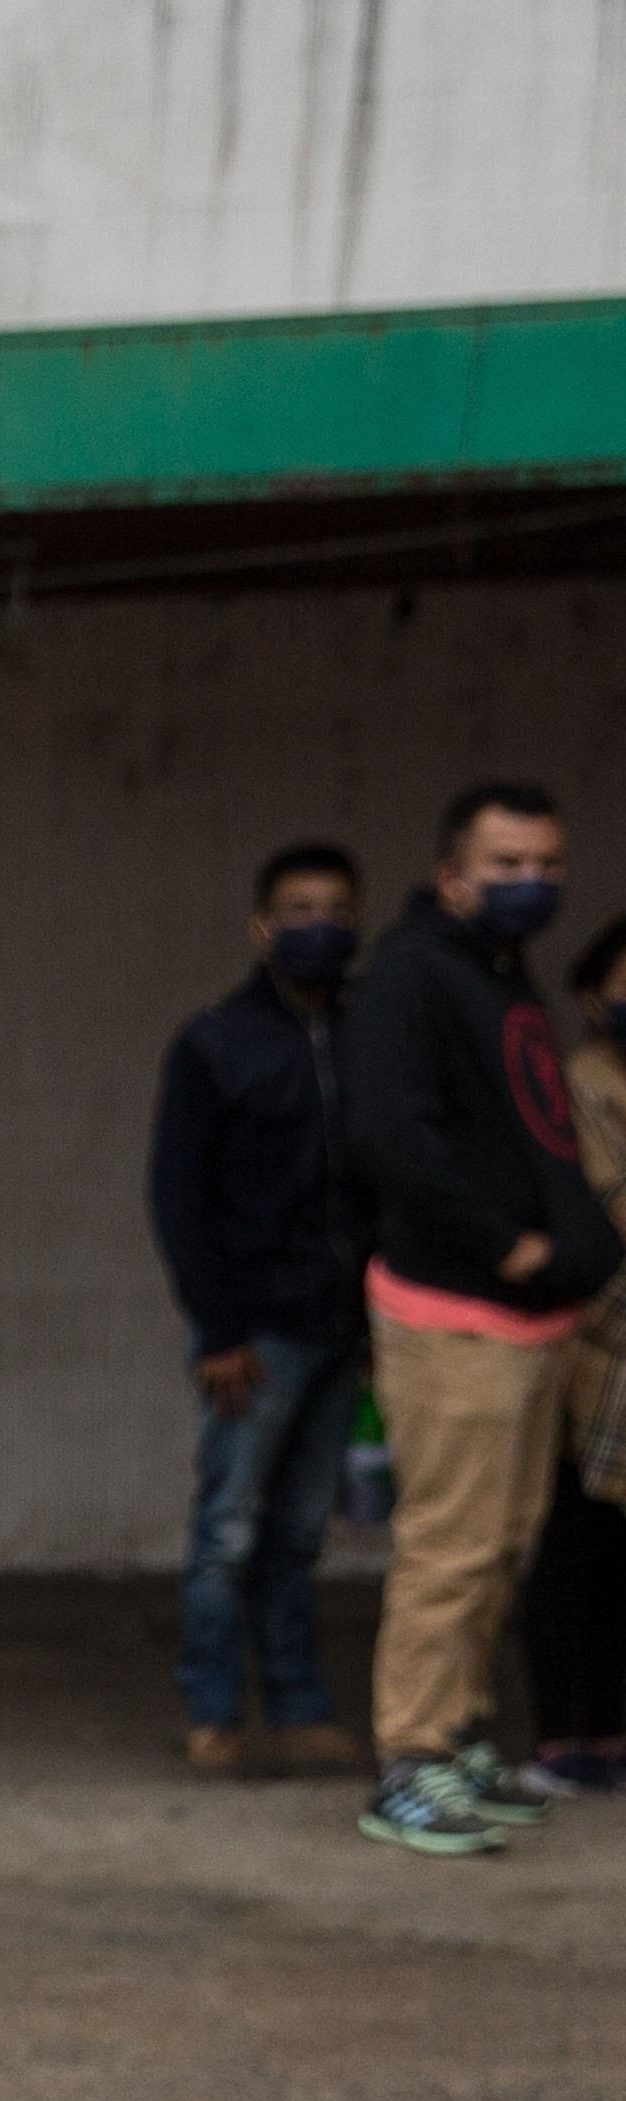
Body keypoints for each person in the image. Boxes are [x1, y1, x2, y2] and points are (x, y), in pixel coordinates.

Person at [341, 780, 621, 1855]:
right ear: (451, 875)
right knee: (450, 1552)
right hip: (457, 1314)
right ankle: (407, 1764)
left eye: (547, 865)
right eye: (505, 866)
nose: (531, 884)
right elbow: (393, 1137)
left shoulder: (498, 976)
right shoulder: (413, 975)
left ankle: (456, 1738)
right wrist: (509, 1246)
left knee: (502, 1547)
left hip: (528, 1326)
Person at [145, 839, 372, 1774]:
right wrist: (220, 1328)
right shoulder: (215, 1043)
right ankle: (212, 1713)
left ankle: (298, 1705)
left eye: (334, 911)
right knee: (227, 1533)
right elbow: (178, 1196)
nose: (317, 927)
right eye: (298, 910)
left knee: (298, 1532)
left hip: (344, 1326)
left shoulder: (371, 1036)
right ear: (261, 927)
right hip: (255, 1330)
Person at [515, 912, 626, 1792]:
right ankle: (569, 1734)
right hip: (589, 1357)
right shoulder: (576, 1086)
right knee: (573, 1554)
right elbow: (597, 1216)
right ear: (593, 996)